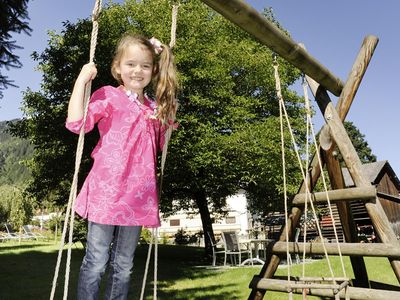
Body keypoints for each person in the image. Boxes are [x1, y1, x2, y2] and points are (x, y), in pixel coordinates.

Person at [65, 33, 178, 300]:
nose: (138, 70)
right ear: (118, 67)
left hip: (137, 197)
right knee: (96, 260)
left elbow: (159, 146)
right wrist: (82, 80)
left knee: (124, 266)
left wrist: (166, 114)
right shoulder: (107, 96)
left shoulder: (153, 108)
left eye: (145, 65)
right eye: (131, 64)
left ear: (153, 70)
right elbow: (76, 124)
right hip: (107, 191)